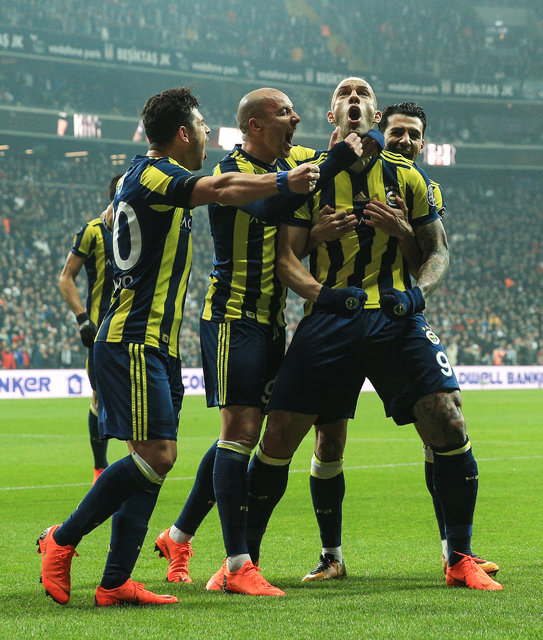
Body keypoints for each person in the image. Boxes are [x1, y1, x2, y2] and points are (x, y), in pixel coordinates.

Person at [36, 86, 321, 607]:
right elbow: (223, 188)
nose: (210, 134)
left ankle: (115, 581)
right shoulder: (156, 174)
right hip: (133, 339)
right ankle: (62, 538)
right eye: (203, 126)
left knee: (152, 462)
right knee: (157, 457)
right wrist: (285, 179)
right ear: (184, 134)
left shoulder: (140, 177)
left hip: (159, 344)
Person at [244, 78, 503, 591]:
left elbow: (437, 251)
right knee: (279, 436)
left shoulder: (409, 176)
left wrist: (417, 294)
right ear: (333, 114)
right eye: (345, 93)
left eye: (363, 93)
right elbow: (285, 258)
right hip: (330, 318)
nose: (354, 98)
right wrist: (324, 294)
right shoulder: (312, 177)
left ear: (374, 113)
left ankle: (460, 558)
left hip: (395, 316)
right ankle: (244, 563)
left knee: (447, 418)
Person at [153, 87, 373, 595]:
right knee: (241, 431)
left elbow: (355, 147)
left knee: (243, 434)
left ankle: (178, 535)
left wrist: (356, 131)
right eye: (284, 112)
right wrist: (330, 165)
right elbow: (273, 205)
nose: (296, 119)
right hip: (233, 318)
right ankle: (238, 564)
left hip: (274, 323)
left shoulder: (294, 159)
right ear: (255, 125)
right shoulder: (231, 170)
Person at [58, 175, 119, 484]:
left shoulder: (145, 230)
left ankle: (140, 467)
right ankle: (100, 468)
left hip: (136, 329)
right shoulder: (93, 231)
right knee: (99, 396)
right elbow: (66, 277)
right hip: (101, 332)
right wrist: (83, 318)